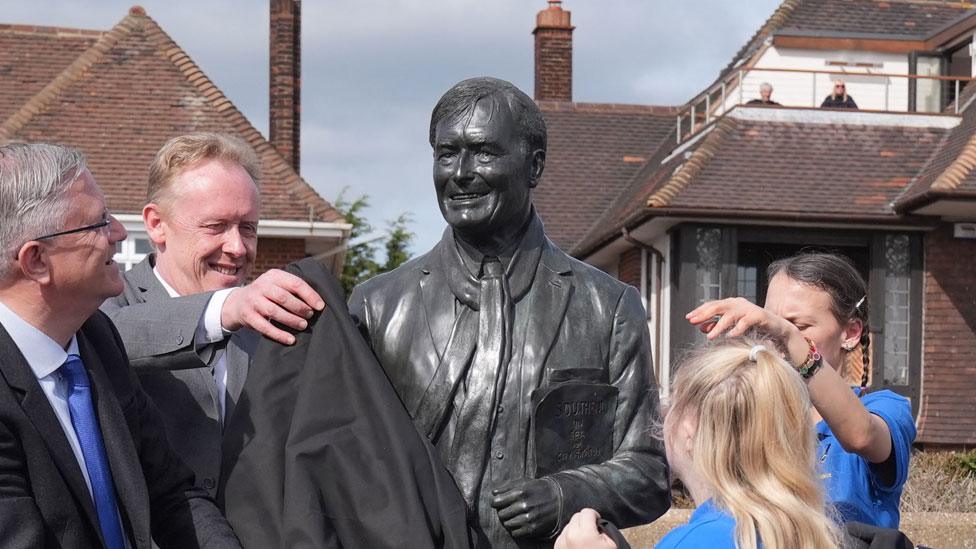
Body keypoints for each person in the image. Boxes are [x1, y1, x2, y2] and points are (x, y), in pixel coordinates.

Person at [348, 77, 670, 547]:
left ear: (533, 165)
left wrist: (565, 494)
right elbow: (345, 462)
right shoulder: (377, 307)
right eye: (445, 154)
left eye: (482, 152)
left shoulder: (608, 307)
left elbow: (648, 471)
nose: (459, 172)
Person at [0, 143, 240, 548]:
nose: (119, 233)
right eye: (97, 224)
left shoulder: (98, 340)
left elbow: (173, 494)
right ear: (37, 260)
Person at [100, 133, 325, 499]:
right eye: (216, 226)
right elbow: (112, 338)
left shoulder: (272, 326)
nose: (237, 248)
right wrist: (224, 309)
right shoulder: (106, 305)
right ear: (156, 224)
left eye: (248, 228)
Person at [685, 252, 915, 529]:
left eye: (798, 325)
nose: (776, 336)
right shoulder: (752, 412)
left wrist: (790, 337)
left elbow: (861, 436)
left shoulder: (887, 407)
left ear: (851, 332)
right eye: (767, 323)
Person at [555, 338, 842, 549]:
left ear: (691, 430)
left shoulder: (694, 542)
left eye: (673, 401)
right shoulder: (807, 531)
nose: (665, 413)